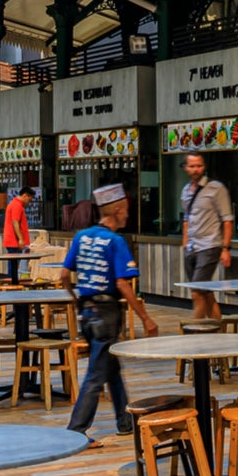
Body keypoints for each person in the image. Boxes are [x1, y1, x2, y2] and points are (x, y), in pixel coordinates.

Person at [61, 182, 158, 445]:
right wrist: (145, 318)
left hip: (87, 311)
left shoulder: (81, 236)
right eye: (125, 209)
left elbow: (64, 275)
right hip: (107, 311)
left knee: (110, 366)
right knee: (95, 374)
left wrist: (76, 301)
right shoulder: (115, 242)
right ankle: (76, 430)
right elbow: (122, 283)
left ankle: (125, 421)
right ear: (116, 210)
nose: (128, 214)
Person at [180, 153, 234, 321]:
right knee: (204, 292)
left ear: (204, 167)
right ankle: (218, 329)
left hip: (210, 245)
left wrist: (225, 248)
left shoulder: (216, 188)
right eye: (192, 166)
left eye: (199, 166)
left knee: (197, 291)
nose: (196, 170)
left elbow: (227, 220)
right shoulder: (185, 191)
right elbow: (186, 218)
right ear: (185, 168)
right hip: (192, 247)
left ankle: (195, 332)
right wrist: (184, 243)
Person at [4, 184, 34, 281]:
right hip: (14, 241)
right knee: (13, 266)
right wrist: (21, 239)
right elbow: (15, 222)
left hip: (12, 241)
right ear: (25, 195)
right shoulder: (17, 205)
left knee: (13, 265)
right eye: (29, 200)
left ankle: (13, 284)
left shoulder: (14, 204)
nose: (29, 203)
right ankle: (12, 285)